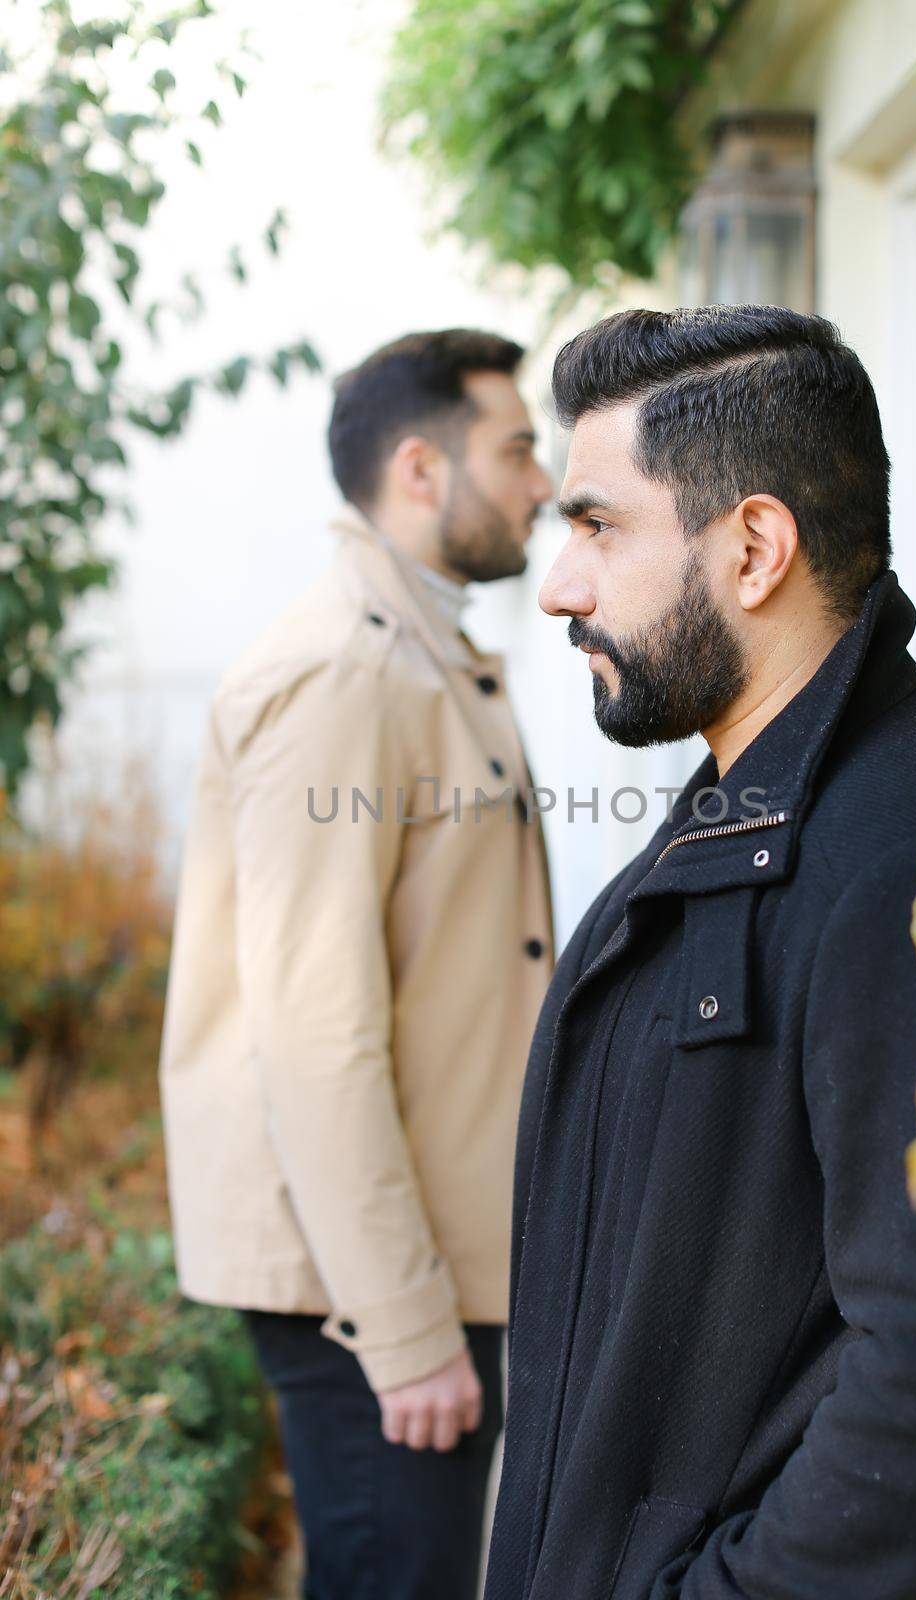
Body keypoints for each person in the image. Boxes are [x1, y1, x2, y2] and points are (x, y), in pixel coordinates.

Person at [483, 305, 916, 1600]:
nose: (558, 586)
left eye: (596, 526)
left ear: (751, 547)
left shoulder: (913, 853)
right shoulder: (765, 806)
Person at [160, 328, 555, 1600]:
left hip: (416, 1252)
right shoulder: (345, 670)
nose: (542, 482)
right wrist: (399, 1328)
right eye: (517, 448)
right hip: (367, 1284)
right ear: (420, 470)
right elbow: (315, 1029)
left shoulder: (412, 647)